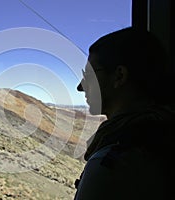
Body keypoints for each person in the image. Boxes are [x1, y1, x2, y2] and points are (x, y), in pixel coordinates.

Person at [74, 27, 175, 200]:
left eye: (89, 75)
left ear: (119, 76)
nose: (80, 86)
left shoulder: (112, 163)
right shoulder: (161, 135)